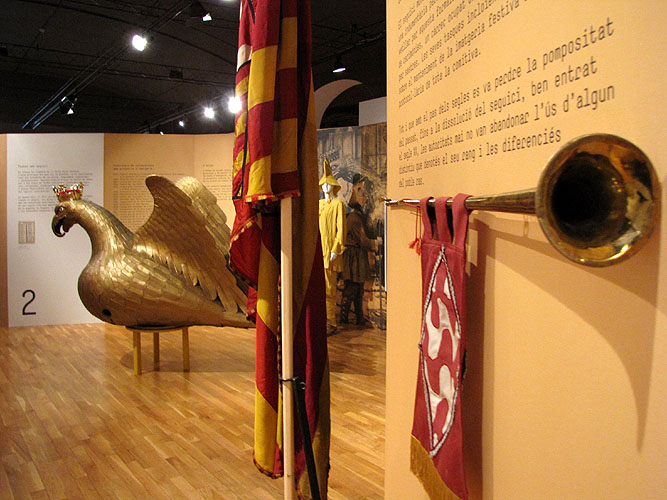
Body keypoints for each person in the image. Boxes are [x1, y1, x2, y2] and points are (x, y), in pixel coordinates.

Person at [340, 174, 378, 327]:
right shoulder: (355, 218)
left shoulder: (358, 216)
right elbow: (363, 240)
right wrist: (377, 244)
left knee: (358, 288)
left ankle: (359, 318)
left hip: (357, 256)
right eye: (360, 191)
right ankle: (345, 318)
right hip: (354, 256)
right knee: (352, 288)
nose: (364, 196)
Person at [318, 158, 346, 335]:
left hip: (330, 252)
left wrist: (336, 249)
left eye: (329, 184)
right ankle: (321, 321)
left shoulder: (338, 205)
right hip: (319, 251)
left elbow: (341, 229)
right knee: (319, 289)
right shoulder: (319, 205)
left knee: (329, 289)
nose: (326, 186)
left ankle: (331, 322)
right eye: (324, 184)